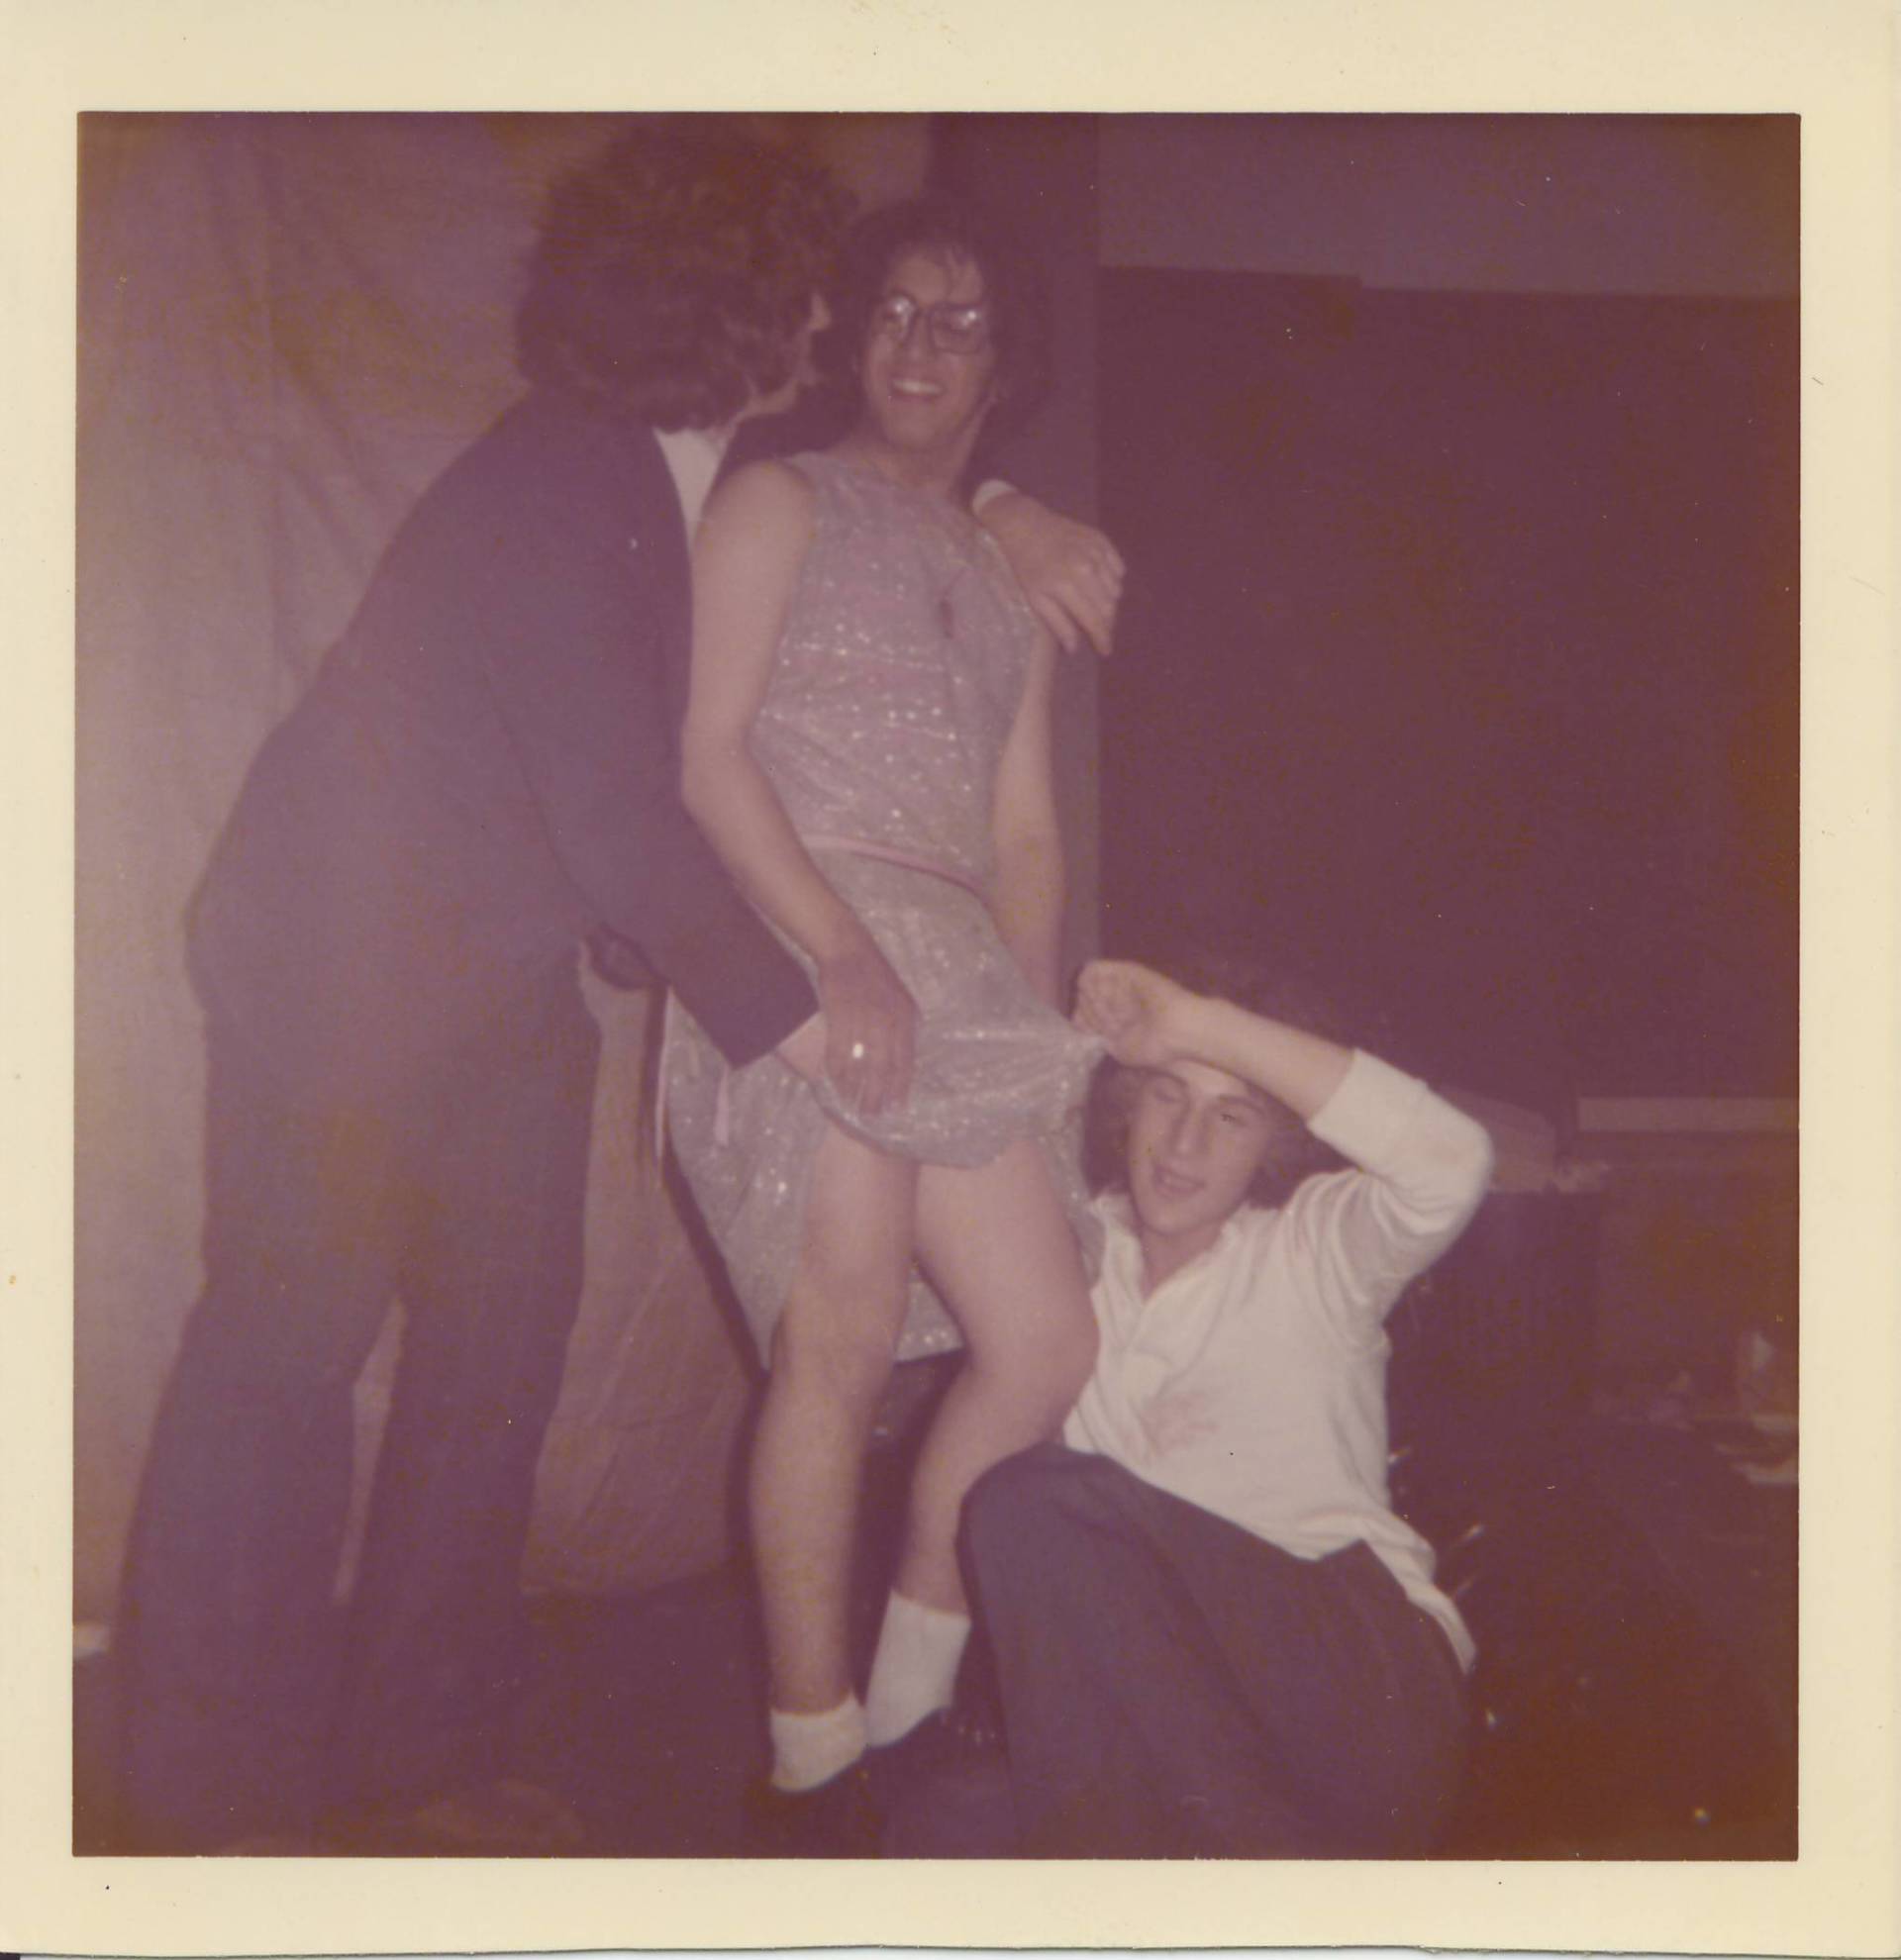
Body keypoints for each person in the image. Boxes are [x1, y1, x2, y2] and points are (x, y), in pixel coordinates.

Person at [111, 126, 1118, 1856]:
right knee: (284, 1352)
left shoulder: (689, 477)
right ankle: (200, 1805)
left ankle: (419, 1763)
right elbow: (621, 813)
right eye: (819, 295)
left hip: (499, 985)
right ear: (733, 308)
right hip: (335, 970)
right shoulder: (566, 485)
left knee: (496, 1365)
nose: (846, 324)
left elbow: (896, 508)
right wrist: (816, 1024)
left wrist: (1010, 503)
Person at [665, 193, 1110, 1850]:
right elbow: (703, 755)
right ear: (855, 335)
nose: (921, 344)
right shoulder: (776, 497)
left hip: (960, 976)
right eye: (897, 312)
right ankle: (810, 1761)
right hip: (804, 939)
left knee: (1047, 1344)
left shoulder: (1008, 575)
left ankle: (908, 1710)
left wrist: (1045, 1061)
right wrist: (838, 953)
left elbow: (1025, 842)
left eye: (962, 319)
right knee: (837, 1345)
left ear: (1006, 361)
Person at [958, 954, 1496, 1857]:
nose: (1185, 1144)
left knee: (1030, 1502)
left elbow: (1454, 1161)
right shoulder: (1066, 1262)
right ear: (1128, 1106)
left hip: (1361, 1677)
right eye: (1168, 1095)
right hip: (1186, 1713)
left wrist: (1193, 1026)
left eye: (1232, 1116)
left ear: (1272, 1146)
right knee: (942, 1825)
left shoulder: (1313, 1249)